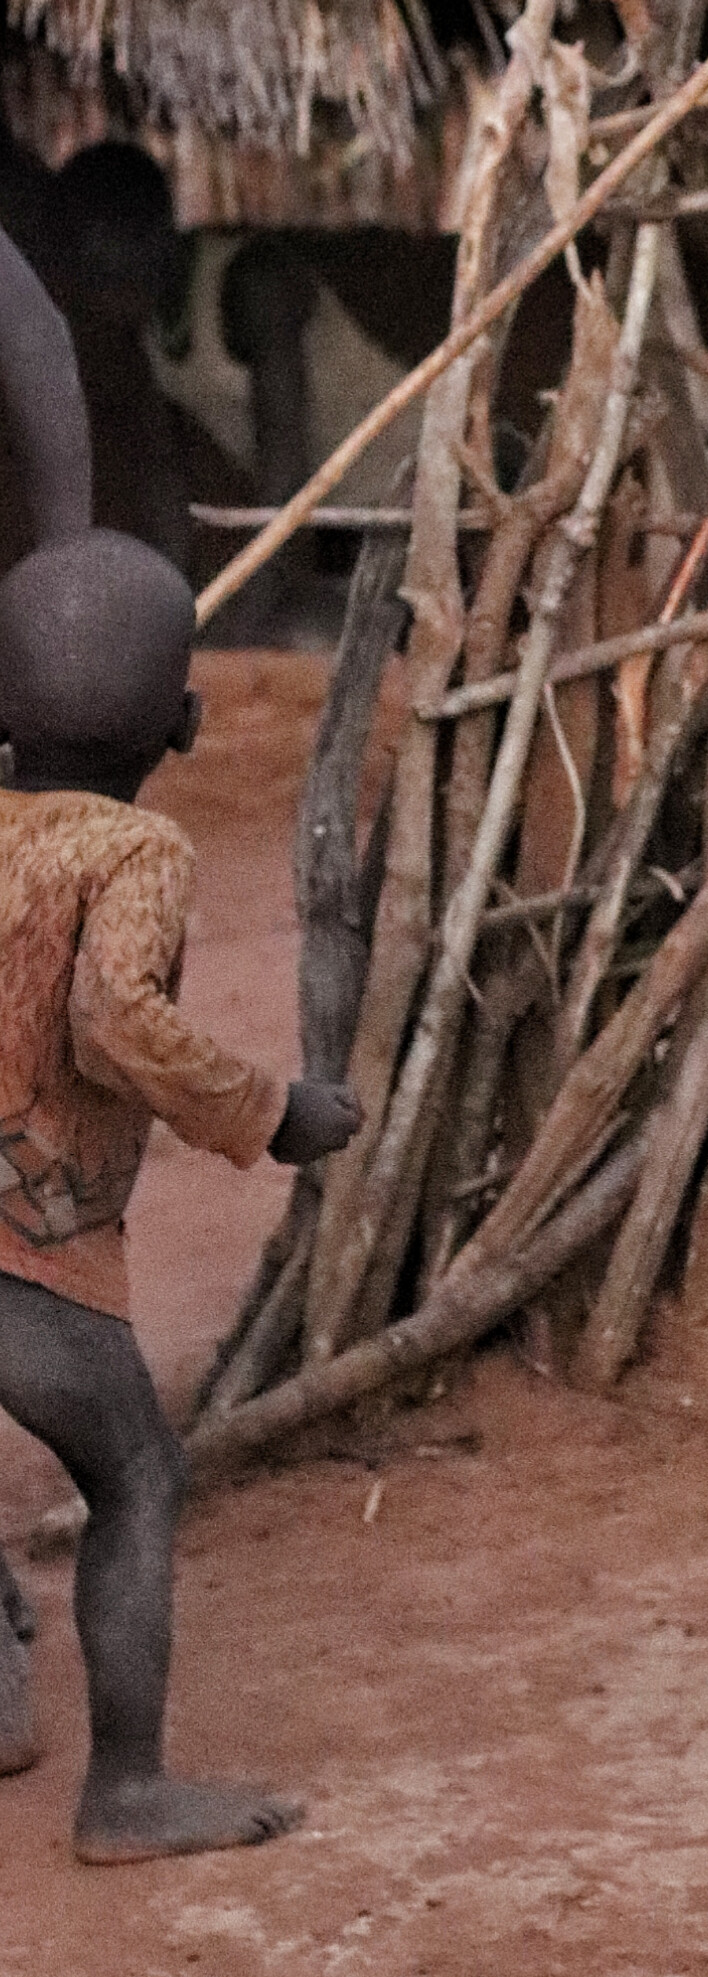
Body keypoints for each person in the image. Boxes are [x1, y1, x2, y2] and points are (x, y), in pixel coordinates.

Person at [0, 524, 361, 1854]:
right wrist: (271, 1113)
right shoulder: (133, 854)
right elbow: (112, 1020)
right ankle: (128, 1791)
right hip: (27, 1245)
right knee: (136, 1475)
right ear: (190, 722)